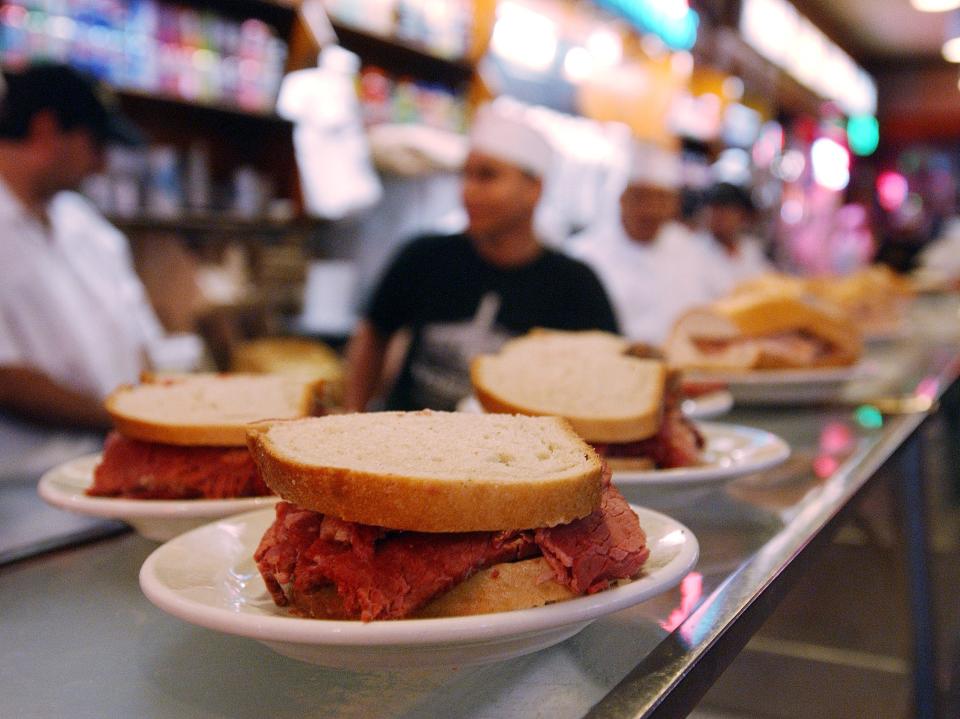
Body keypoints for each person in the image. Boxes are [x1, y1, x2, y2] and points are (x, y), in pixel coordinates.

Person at [344, 103, 618, 412]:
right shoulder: (425, 256)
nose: (467, 192)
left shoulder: (576, 286)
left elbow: (608, 379)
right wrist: (352, 413)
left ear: (534, 189)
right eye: (465, 175)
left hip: (515, 454)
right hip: (405, 441)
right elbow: (374, 331)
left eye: (486, 176)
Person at [0, 64, 188, 479]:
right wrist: (120, 418)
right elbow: (6, 377)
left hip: (115, 469)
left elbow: (140, 339)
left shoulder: (86, 225)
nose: (101, 165)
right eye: (96, 145)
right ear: (47, 130)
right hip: (22, 496)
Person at [570, 142, 711, 346]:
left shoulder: (694, 253)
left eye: (661, 200)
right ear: (622, 199)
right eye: (641, 198)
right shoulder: (583, 256)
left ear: (674, 205)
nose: (650, 210)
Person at [694, 182, 773, 296]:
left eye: (727, 211)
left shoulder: (750, 249)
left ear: (742, 216)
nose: (720, 217)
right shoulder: (694, 250)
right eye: (714, 210)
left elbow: (769, 285)